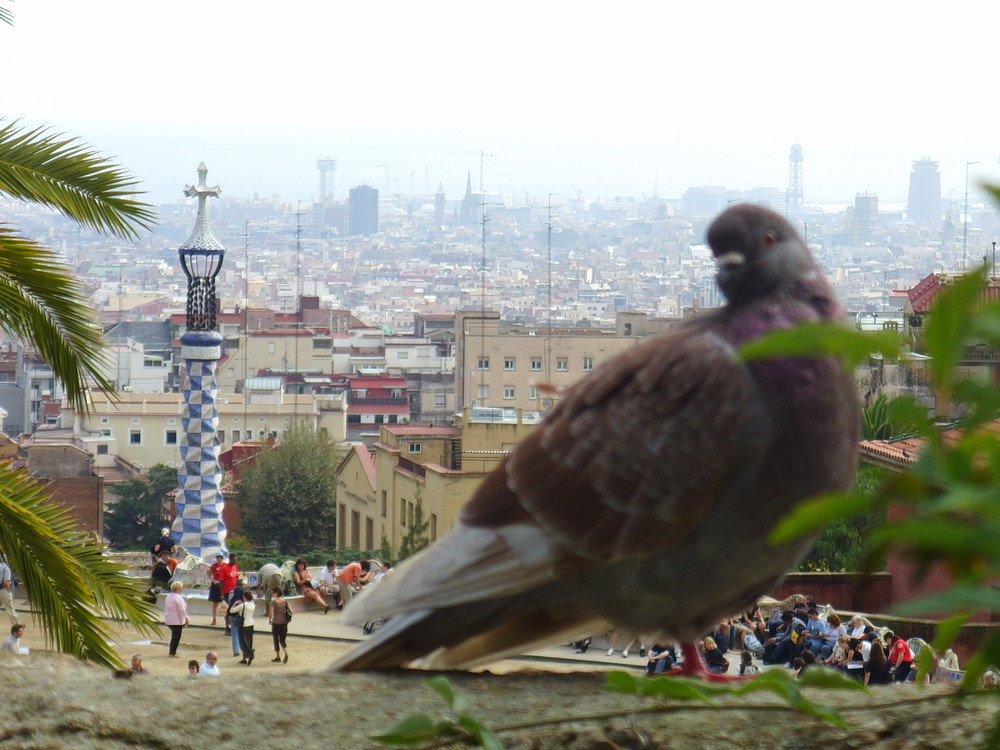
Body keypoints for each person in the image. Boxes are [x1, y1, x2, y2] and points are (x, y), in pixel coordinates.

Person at [230, 589, 256, 665]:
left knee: (242, 642)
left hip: (243, 625)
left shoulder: (242, 605)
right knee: (249, 641)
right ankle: (246, 656)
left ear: (244, 597)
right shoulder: (252, 605)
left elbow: (232, 610)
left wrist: (234, 603)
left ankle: (249, 654)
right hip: (250, 623)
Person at [164, 581, 188, 657]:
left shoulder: (169, 596)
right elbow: (181, 610)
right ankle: (172, 652)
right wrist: (185, 619)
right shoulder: (178, 598)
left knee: (174, 637)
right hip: (176, 620)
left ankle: (172, 651)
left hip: (169, 619)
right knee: (176, 638)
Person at [268, 586, 290, 664]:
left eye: (273, 592)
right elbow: (290, 610)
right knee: (282, 640)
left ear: (276, 593)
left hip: (276, 622)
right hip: (284, 622)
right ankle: (286, 652)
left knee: (275, 639)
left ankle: (278, 656)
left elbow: (271, 613)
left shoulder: (273, 602)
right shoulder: (285, 601)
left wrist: (270, 620)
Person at [220, 554, 240, 635]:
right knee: (228, 610)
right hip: (227, 592)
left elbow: (235, 577)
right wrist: (221, 594)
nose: (236, 561)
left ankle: (234, 626)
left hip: (234, 591)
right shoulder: (224, 568)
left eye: (236, 560)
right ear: (230, 559)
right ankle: (227, 627)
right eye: (234, 560)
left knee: (235, 608)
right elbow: (221, 582)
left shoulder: (235, 567)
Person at [208, 553, 225, 626]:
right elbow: (209, 574)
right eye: (217, 557)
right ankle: (214, 618)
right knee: (214, 602)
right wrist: (213, 580)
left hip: (223, 584)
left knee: (225, 601)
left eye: (220, 557)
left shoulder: (224, 566)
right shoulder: (214, 566)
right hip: (215, 584)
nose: (218, 559)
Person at [0, 557, 18, 625]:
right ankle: (16, 626)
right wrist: (9, 591)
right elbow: (6, 582)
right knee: (10, 609)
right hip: (3, 590)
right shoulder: (5, 568)